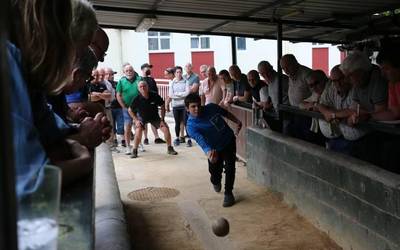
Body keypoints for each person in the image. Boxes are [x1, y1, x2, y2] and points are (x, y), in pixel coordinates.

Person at [185, 93, 242, 207]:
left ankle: (228, 193)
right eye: (193, 106)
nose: (197, 109)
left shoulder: (211, 107)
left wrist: (237, 121)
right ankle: (216, 181)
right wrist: (209, 152)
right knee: (215, 172)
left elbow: (224, 113)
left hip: (228, 140)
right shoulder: (191, 126)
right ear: (187, 108)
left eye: (198, 105)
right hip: (213, 149)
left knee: (230, 167)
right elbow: (201, 140)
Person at [128, 81, 178, 158]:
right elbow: (130, 110)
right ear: (138, 89)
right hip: (142, 118)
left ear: (147, 87)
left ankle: (170, 148)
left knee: (165, 128)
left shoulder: (154, 95)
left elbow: (162, 105)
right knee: (138, 130)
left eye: (144, 86)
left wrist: (162, 119)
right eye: (140, 87)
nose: (143, 88)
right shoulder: (137, 98)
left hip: (155, 117)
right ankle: (135, 150)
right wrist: (136, 120)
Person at [116, 63, 142, 155]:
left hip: (138, 108)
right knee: (127, 127)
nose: (129, 72)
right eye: (127, 71)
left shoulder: (139, 79)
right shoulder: (121, 81)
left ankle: (139, 144)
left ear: (133, 71)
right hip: (127, 108)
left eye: (130, 70)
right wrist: (123, 106)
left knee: (138, 126)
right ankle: (128, 147)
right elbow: (118, 95)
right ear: (124, 72)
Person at [257, 60, 289, 132]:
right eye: (263, 74)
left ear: (271, 68)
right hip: (278, 115)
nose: (266, 75)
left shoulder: (282, 79)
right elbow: (273, 96)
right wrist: (267, 104)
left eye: (267, 72)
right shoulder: (270, 81)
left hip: (287, 115)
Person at [140, 63, 165, 145]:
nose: (149, 70)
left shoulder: (152, 79)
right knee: (144, 121)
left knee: (153, 120)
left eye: (149, 69)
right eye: (147, 68)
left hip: (153, 103)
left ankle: (157, 137)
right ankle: (146, 138)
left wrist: (156, 100)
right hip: (143, 103)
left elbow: (156, 91)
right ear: (143, 70)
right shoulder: (140, 80)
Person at [168, 66, 190, 146]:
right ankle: (177, 138)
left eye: (180, 72)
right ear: (174, 73)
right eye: (177, 72)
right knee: (177, 123)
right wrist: (182, 94)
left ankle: (189, 139)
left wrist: (176, 94)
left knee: (185, 122)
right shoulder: (172, 82)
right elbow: (171, 94)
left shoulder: (186, 81)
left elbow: (187, 93)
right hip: (175, 106)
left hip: (184, 106)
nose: (179, 74)